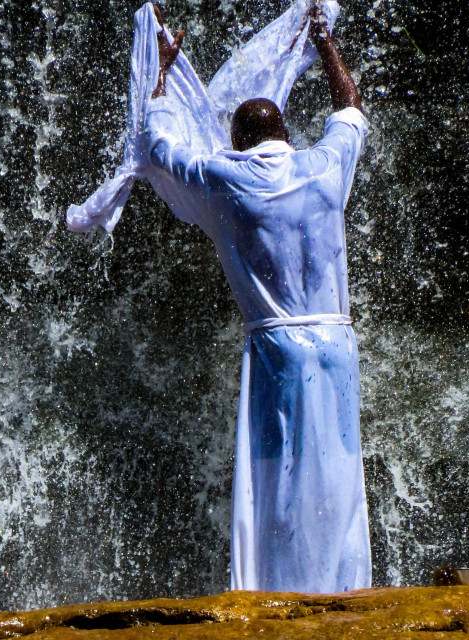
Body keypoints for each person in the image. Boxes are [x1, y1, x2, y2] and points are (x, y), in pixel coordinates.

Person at [145, 2, 371, 593]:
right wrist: (323, 43)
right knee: (341, 477)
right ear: (286, 134)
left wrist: (164, 75)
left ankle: (271, 592)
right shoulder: (325, 166)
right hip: (337, 342)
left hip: (279, 350)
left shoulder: (226, 177)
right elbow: (350, 106)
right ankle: (345, 591)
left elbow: (158, 142)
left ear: (240, 141)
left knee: (272, 477)